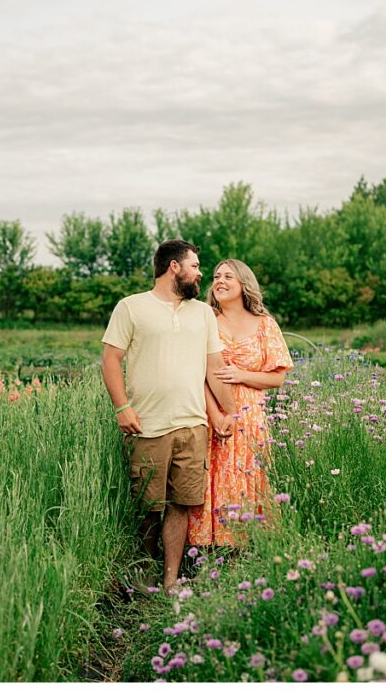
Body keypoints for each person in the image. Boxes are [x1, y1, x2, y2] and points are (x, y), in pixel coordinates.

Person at [101, 239, 237, 593]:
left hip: (193, 424)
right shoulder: (131, 308)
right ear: (174, 267)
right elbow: (110, 359)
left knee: (182, 504)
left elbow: (214, 367)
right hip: (147, 425)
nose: (200, 273)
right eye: (194, 266)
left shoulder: (203, 313)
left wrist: (229, 413)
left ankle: (170, 578)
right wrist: (121, 407)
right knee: (148, 506)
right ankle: (145, 573)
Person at [187, 259, 293, 546]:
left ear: (244, 284)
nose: (219, 281)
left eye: (228, 277)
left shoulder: (265, 325)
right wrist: (216, 413)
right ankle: (207, 546)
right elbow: (196, 373)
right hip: (209, 409)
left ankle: (247, 543)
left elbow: (277, 378)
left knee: (247, 475)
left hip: (250, 414)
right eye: (216, 276)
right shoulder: (205, 318)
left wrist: (241, 374)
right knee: (211, 473)